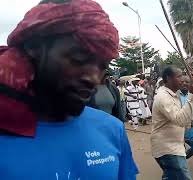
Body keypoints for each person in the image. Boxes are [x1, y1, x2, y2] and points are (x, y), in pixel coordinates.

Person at [0, 0, 138, 179]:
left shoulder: (112, 129)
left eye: (102, 67)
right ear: (33, 47)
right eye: (79, 59)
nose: (94, 79)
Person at [150, 66, 193, 180]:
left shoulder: (175, 94)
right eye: (178, 76)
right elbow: (180, 119)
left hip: (175, 146)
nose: (182, 79)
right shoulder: (163, 97)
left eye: (182, 75)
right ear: (168, 78)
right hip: (168, 148)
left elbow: (184, 119)